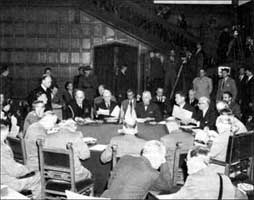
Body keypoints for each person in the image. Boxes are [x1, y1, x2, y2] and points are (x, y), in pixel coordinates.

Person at [158, 146, 247, 199]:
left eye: (187, 160)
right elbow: (242, 196)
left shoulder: (193, 179)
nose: (186, 163)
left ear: (194, 160)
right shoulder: (224, 178)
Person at [101, 140, 171, 199]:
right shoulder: (152, 174)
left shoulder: (125, 158)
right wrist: (164, 162)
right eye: (161, 159)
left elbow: (110, 184)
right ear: (157, 157)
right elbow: (168, 186)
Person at [0, 125, 41, 199]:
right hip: (6, 183)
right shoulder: (2, 149)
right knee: (39, 178)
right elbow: (15, 172)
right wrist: (31, 168)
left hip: (4, 177)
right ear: (3, 134)